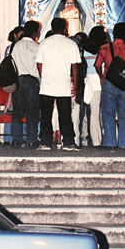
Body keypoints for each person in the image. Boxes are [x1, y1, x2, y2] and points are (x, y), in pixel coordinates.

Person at [36, 17, 81, 151]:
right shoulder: (71, 44)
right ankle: (68, 142)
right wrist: (75, 84)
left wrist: (44, 76)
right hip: (63, 84)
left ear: (52, 28)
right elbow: (75, 67)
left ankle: (45, 142)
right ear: (64, 29)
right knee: (65, 115)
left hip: (47, 85)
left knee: (46, 115)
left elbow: (39, 64)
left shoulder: (44, 43)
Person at [95, 22, 125, 149]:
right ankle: (124, 143)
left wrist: (102, 77)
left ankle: (109, 142)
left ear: (114, 33)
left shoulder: (104, 48)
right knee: (124, 114)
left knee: (108, 113)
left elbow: (98, 65)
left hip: (109, 82)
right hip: (124, 84)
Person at [10, 21, 41, 148]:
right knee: (32, 112)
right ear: (35, 33)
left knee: (17, 111)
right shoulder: (36, 47)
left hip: (18, 80)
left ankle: (17, 139)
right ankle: (32, 139)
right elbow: (39, 65)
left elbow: (12, 63)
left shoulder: (17, 45)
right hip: (32, 81)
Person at [83, 26, 109, 147]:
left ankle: (96, 140)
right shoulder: (105, 49)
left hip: (90, 81)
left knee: (93, 113)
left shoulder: (85, 49)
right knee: (108, 111)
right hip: (104, 80)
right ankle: (110, 138)